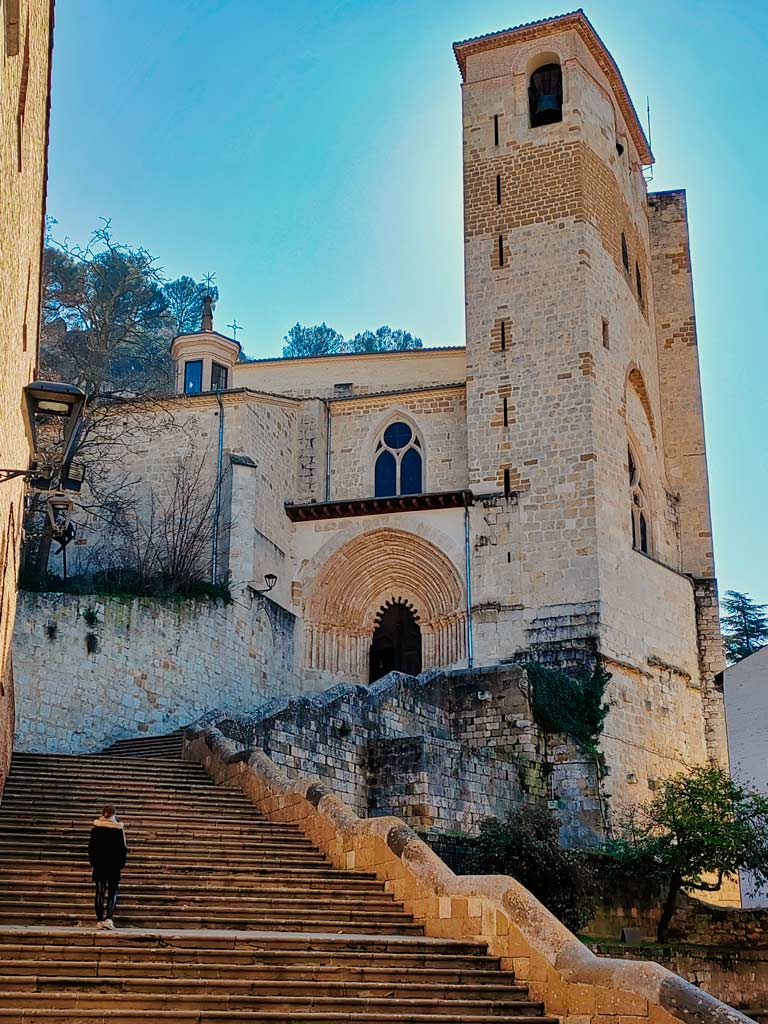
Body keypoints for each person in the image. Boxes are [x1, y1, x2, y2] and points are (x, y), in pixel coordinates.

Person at [88, 805, 127, 930]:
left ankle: (99, 920)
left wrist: (93, 863)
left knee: (99, 892)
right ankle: (109, 919)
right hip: (114, 865)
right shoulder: (118, 829)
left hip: (99, 864)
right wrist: (120, 864)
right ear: (114, 814)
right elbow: (123, 849)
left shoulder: (96, 829)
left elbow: (91, 849)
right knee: (112, 893)